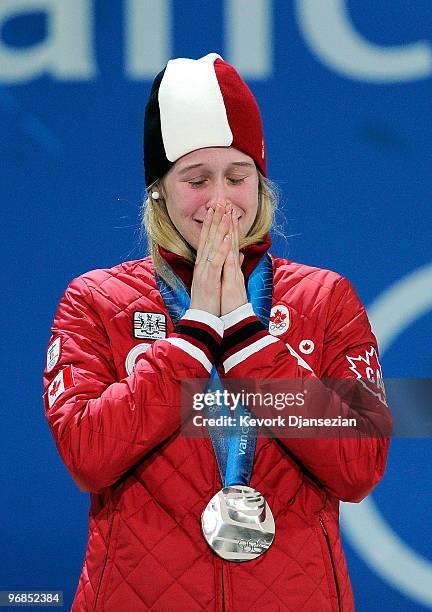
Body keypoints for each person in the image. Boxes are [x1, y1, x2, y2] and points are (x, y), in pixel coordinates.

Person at [43, 53, 392, 611]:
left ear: (261, 181)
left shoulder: (325, 300)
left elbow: (357, 469)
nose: (221, 201)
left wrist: (248, 337)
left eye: (237, 176)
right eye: (196, 179)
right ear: (158, 189)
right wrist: (196, 331)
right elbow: (88, 456)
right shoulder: (96, 301)